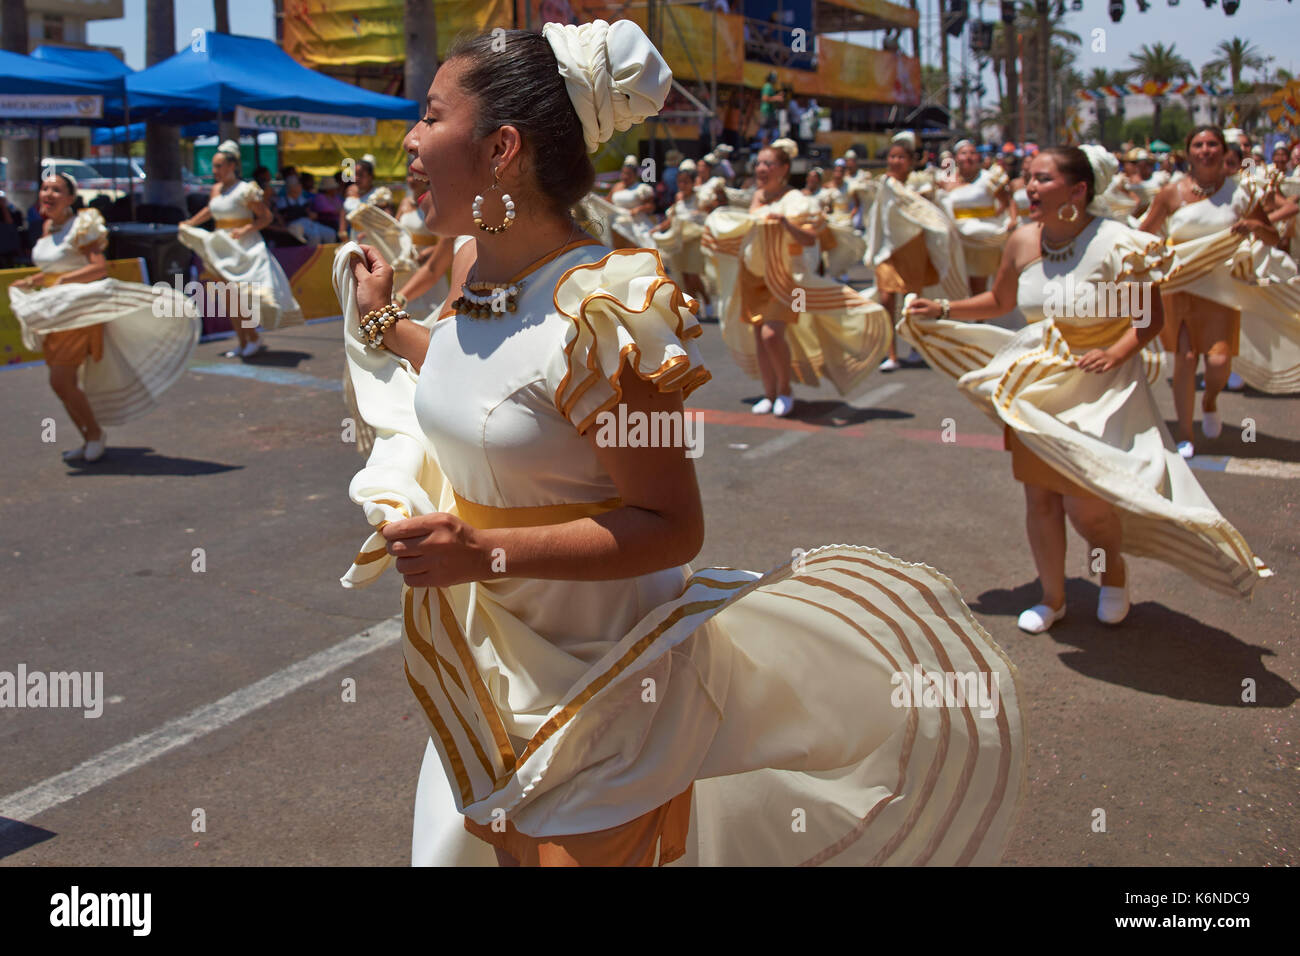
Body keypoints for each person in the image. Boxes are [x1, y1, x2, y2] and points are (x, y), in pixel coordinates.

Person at [338, 20, 1024, 868]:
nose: (408, 140)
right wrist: (381, 320)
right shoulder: (473, 268)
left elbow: (670, 524)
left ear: (501, 148)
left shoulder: (614, 314)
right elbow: (466, 363)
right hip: (490, 674)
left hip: (610, 692)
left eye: (431, 115)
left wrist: (482, 550)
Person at [902, 144, 1271, 633]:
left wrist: (1115, 354)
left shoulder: (1120, 242)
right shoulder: (1021, 240)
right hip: (1039, 389)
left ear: (1079, 189)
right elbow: (999, 300)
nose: (1030, 187)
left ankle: (1111, 573)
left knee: (1087, 505)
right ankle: (1052, 598)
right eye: (1028, 177)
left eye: (1043, 179)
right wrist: (942, 310)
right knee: (1041, 499)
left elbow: (1147, 319)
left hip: (1104, 388)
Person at [9, 172, 197, 462]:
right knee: (62, 383)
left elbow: (99, 269)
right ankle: (89, 436)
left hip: (78, 313)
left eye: (56, 190)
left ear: (71, 198)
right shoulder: (47, 226)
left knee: (61, 381)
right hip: (53, 313)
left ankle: (94, 434)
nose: (48, 194)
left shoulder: (81, 227)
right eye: (45, 189)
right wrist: (33, 281)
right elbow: (52, 269)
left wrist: (65, 281)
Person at [703, 138, 891, 416]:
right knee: (759, 336)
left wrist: (785, 224)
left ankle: (785, 390)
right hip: (753, 276)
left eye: (769, 163)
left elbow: (808, 238)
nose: (761, 168)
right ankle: (769, 393)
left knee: (770, 336)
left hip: (784, 278)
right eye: (759, 163)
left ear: (784, 169)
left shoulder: (796, 200)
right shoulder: (755, 195)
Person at [1140, 126, 1300, 442]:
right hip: (1181, 285)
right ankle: (1186, 433)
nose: (1205, 150)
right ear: (1188, 153)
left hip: (1223, 290)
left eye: (1212, 144)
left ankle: (1211, 400)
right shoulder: (1170, 193)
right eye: (1198, 144)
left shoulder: (1240, 194)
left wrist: (1255, 225)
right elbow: (1144, 233)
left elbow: (1271, 236)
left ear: (1223, 151)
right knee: (1185, 360)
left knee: (1218, 362)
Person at [178, 139, 305, 357]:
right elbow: (210, 210)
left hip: (243, 249)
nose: (214, 170)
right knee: (228, 298)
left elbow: (266, 217)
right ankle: (243, 340)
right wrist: (190, 223)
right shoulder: (216, 189)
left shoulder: (246, 190)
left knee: (241, 297)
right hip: (221, 248)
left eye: (219, 166)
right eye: (214, 166)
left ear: (232, 166)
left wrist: (247, 229)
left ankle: (253, 338)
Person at [862, 131, 968, 371]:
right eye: (892, 156)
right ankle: (891, 354)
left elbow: (927, 211)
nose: (895, 161)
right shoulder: (885, 184)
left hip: (913, 249)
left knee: (913, 303)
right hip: (887, 251)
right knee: (886, 300)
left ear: (910, 161)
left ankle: (915, 347)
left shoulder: (920, 182)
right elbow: (877, 216)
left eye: (900, 157)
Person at [938, 139, 1017, 295]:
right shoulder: (947, 180)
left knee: (978, 283)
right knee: (958, 282)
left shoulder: (988, 178)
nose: (968, 157)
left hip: (982, 239)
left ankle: (980, 318)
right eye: (964, 153)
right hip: (956, 239)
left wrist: (1009, 220)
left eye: (973, 153)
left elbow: (1007, 202)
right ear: (956, 158)